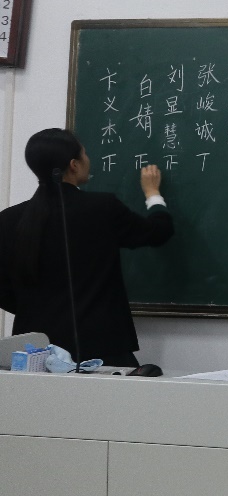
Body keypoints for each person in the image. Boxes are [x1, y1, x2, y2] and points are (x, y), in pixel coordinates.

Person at [0, 128, 173, 368]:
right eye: (85, 154)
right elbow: (158, 232)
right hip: (101, 349)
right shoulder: (102, 208)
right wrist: (153, 193)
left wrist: (34, 307)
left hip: (35, 354)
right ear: (74, 165)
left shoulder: (8, 219)